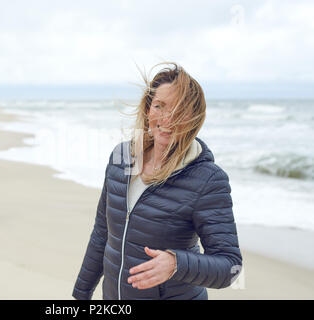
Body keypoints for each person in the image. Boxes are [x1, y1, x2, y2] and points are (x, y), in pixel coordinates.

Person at [72, 62, 243, 300]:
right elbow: (102, 234)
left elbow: (230, 267)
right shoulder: (121, 157)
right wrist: (81, 293)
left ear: (194, 117)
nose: (167, 118)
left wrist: (176, 264)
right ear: (147, 109)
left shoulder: (208, 179)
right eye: (159, 106)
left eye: (179, 110)